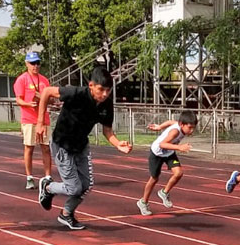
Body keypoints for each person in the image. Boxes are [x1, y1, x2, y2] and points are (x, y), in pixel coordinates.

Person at [35, 66, 132, 230]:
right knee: (74, 188)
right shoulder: (76, 93)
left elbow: (107, 131)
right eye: (101, 90)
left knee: (86, 186)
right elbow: (46, 92)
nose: (105, 94)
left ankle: (66, 214)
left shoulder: (106, 104)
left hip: (81, 145)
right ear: (91, 85)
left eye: (108, 91)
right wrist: (40, 122)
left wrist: (118, 144)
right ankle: (48, 187)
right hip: (62, 144)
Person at [136, 111, 197, 216]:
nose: (191, 131)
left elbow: (169, 122)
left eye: (193, 128)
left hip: (169, 153)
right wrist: (179, 147)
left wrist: (159, 127)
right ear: (181, 124)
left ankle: (164, 192)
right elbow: (162, 144)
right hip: (157, 153)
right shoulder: (175, 132)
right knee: (154, 178)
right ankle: (143, 202)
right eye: (190, 127)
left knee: (178, 173)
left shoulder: (178, 123)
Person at [14, 51, 52, 190]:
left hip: (44, 118)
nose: (35, 66)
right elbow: (18, 99)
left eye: (37, 63)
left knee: (46, 148)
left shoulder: (44, 80)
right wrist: (28, 104)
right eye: (32, 63)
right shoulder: (22, 79)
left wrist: (49, 100)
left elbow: (50, 97)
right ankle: (29, 177)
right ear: (26, 64)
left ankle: (48, 177)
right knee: (29, 147)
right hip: (29, 118)